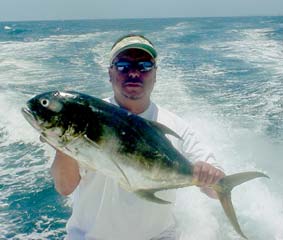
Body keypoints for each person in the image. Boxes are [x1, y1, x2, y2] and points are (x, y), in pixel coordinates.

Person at [50, 34, 225, 240]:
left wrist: (210, 177)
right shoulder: (87, 118)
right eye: (123, 65)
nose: (133, 73)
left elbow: (216, 190)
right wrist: (63, 142)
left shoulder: (177, 127)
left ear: (155, 74)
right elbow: (64, 187)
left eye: (144, 66)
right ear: (110, 73)